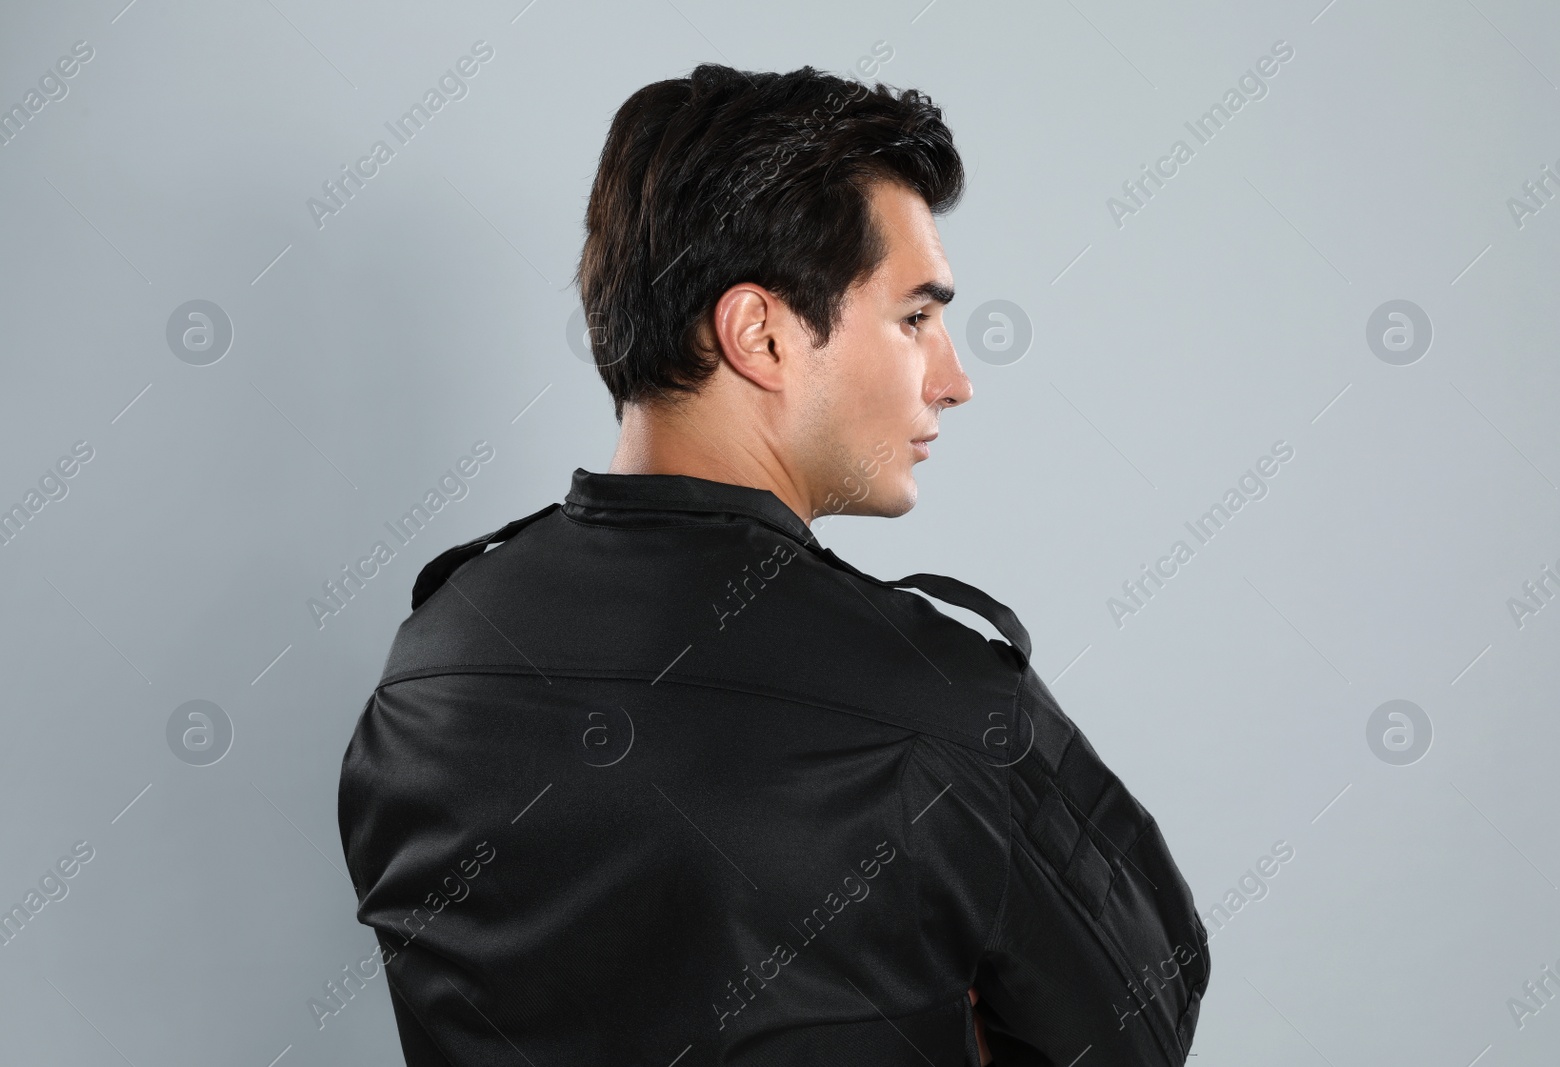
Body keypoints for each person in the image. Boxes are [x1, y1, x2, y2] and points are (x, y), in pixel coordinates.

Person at [338, 62, 1210, 1066]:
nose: (954, 379)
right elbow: (1140, 1025)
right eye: (916, 317)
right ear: (760, 332)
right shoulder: (942, 701)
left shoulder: (426, 667)